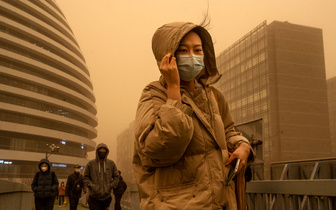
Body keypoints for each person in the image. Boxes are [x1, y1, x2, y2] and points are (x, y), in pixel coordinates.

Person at [132, 21, 255, 210]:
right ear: (168, 56)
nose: (192, 56)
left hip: (222, 201)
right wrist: (173, 90)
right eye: (183, 50)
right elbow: (156, 149)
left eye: (198, 50)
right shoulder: (153, 94)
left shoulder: (214, 95)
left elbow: (228, 131)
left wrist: (243, 145)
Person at [84, 143, 120, 210]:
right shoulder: (90, 164)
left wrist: (110, 186)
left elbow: (117, 177)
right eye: (100, 150)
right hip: (93, 197)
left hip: (107, 197)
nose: (102, 152)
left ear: (106, 152)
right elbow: (85, 177)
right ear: (97, 152)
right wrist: (92, 185)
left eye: (104, 151)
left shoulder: (111, 164)